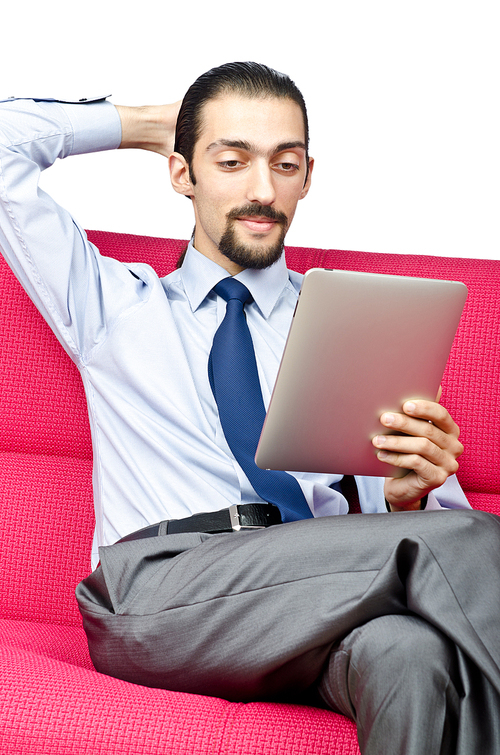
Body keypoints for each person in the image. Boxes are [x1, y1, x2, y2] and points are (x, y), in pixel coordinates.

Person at [1, 62, 499, 754]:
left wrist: (407, 501)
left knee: (408, 651)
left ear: (307, 176)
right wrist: (150, 122)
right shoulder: (111, 306)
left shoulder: (355, 325)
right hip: (158, 597)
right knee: (475, 539)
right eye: (231, 161)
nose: (262, 190)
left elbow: (423, 541)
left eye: (284, 163)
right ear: (183, 173)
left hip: (308, 609)